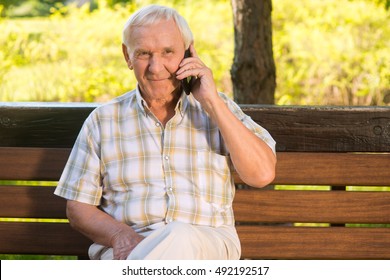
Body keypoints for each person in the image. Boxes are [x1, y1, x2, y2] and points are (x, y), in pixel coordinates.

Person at [54, 4, 276, 260]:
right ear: (127, 56)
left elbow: (261, 175)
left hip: (208, 245)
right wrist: (119, 235)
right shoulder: (103, 120)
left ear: (188, 51)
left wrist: (212, 102)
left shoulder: (219, 108)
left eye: (168, 52)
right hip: (129, 250)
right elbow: (78, 206)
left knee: (180, 235)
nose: (156, 67)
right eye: (144, 54)